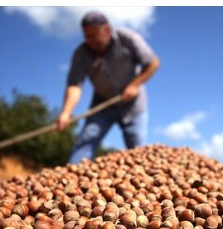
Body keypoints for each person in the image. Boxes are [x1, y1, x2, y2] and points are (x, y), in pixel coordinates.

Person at [56, 11, 160, 163]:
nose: (89, 40)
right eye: (86, 36)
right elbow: (75, 86)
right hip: (103, 104)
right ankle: (72, 174)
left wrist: (134, 85)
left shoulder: (128, 39)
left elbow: (152, 63)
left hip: (133, 104)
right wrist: (66, 112)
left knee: (137, 151)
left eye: (93, 35)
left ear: (107, 30)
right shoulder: (81, 54)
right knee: (86, 141)